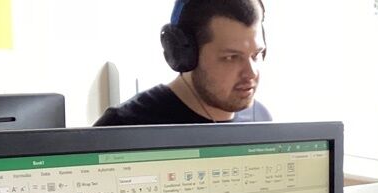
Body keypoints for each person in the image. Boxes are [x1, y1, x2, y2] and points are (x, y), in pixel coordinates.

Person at [95, 0, 271, 126]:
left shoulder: (261, 118)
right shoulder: (124, 126)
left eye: (256, 55)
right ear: (185, 53)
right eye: (231, 57)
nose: (251, 72)